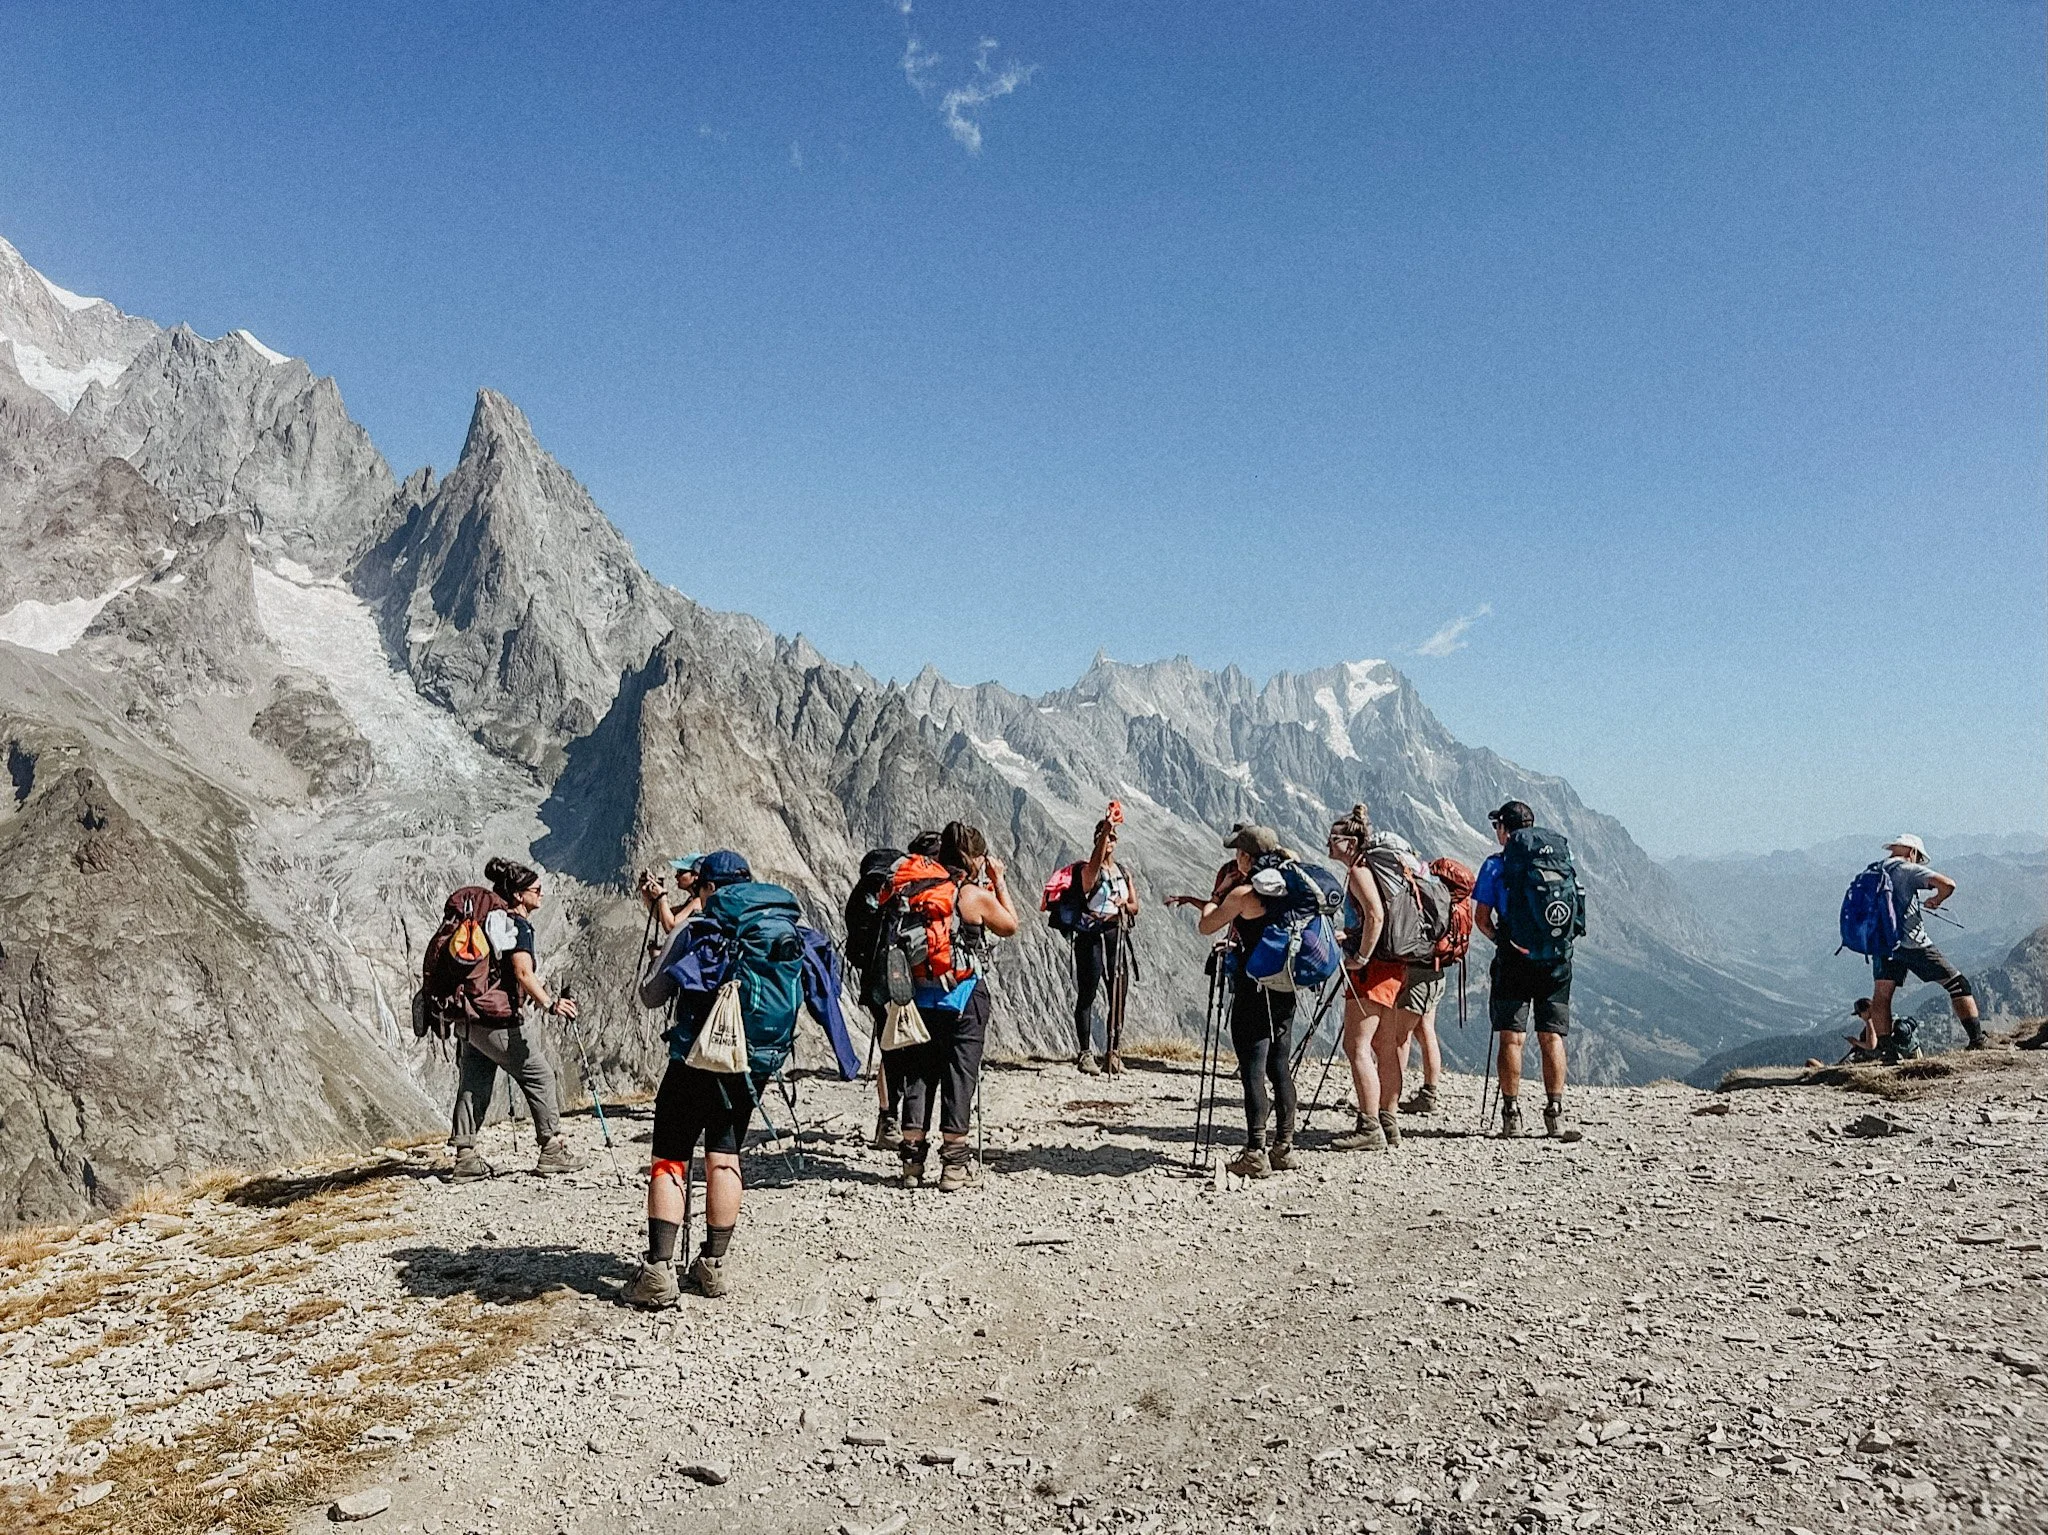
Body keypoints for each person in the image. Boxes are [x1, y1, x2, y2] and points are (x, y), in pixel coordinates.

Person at [624, 850, 764, 1306]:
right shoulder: (769, 930)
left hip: (692, 1061)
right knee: (725, 1154)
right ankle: (713, 1266)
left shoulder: (693, 927)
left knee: (671, 1157)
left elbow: (651, 994)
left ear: (705, 887)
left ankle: (659, 1273)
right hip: (747, 1064)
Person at [894, 821, 1019, 1192]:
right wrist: (999, 880)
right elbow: (1010, 925)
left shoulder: (919, 890)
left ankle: (911, 1166)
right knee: (959, 1075)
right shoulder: (971, 896)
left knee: (918, 1075)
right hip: (964, 997)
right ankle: (953, 1168)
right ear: (974, 858)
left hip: (919, 995)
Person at [448, 859, 589, 1181]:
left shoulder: (490, 923)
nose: (541, 894)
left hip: (470, 1015)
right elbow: (523, 972)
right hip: (497, 1018)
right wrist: (550, 1004)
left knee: (474, 1082)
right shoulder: (518, 927)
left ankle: (465, 1156)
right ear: (518, 895)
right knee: (540, 1075)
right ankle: (552, 1148)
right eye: (535, 890)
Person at [1194, 824, 1301, 1177]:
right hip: (1284, 987)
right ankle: (1283, 1147)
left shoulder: (1243, 894)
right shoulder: (1290, 886)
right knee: (1279, 1066)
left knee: (1253, 1069)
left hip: (1253, 990)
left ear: (1245, 856)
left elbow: (1206, 926)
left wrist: (1217, 894)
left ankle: (1255, 1151)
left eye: (1238, 852)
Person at [1473, 800, 1579, 1140]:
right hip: (1556, 960)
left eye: (1497, 827)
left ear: (1505, 829)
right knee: (1552, 1036)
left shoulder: (1495, 866)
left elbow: (1482, 920)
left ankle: (1511, 1114)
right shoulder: (1560, 859)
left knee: (1512, 1037)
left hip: (1515, 960)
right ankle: (1555, 1113)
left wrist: (1504, 942)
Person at [1866, 836, 1986, 1060]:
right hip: (1912, 943)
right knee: (1958, 984)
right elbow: (1948, 885)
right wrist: (1937, 900)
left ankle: (1887, 1052)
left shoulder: (1873, 871)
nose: (1919, 862)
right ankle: (1977, 1040)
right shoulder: (1907, 869)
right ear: (1913, 852)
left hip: (1881, 945)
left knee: (1882, 996)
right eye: (1919, 858)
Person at [1324, 808, 1390, 1152]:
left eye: (1334, 839)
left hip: (1371, 967)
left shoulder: (1360, 871)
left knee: (1356, 1046)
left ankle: (1370, 1128)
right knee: (1381, 1044)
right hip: (1389, 965)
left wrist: (1360, 955)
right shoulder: (1368, 868)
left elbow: (1376, 915)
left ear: (1350, 843)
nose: (1328, 844)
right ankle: (1386, 1121)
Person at [1071, 815, 1141, 1075]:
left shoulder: (1124, 871)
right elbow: (1091, 873)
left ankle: (1113, 1051)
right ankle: (1085, 1053)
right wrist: (1106, 829)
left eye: (1112, 837)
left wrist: (1125, 906)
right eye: (1103, 836)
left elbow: (1136, 906)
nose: (1109, 840)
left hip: (1116, 931)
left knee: (1118, 993)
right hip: (1091, 934)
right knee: (1088, 991)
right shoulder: (1089, 871)